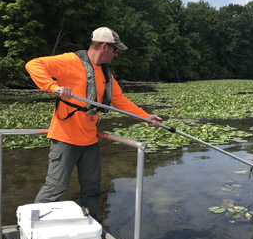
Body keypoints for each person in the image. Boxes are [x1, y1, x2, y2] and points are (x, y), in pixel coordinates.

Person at [25, 27, 162, 224]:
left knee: (92, 189)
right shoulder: (70, 61)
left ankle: (92, 230)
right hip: (65, 138)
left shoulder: (106, 75)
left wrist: (147, 117)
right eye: (115, 50)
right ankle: (32, 229)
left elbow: (121, 102)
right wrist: (54, 87)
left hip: (89, 141)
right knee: (56, 186)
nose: (116, 54)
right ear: (104, 47)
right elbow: (33, 65)